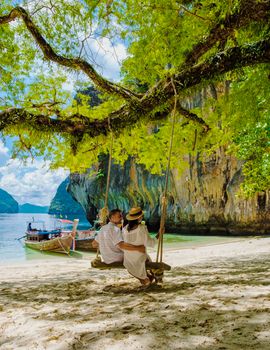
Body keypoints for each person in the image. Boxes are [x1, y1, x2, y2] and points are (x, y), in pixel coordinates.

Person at [122, 207, 157, 286]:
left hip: (128, 258)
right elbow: (149, 243)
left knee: (144, 258)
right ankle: (149, 277)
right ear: (139, 218)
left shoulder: (124, 229)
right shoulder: (142, 228)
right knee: (146, 258)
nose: (142, 217)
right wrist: (158, 235)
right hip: (139, 257)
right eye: (141, 216)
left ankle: (147, 277)